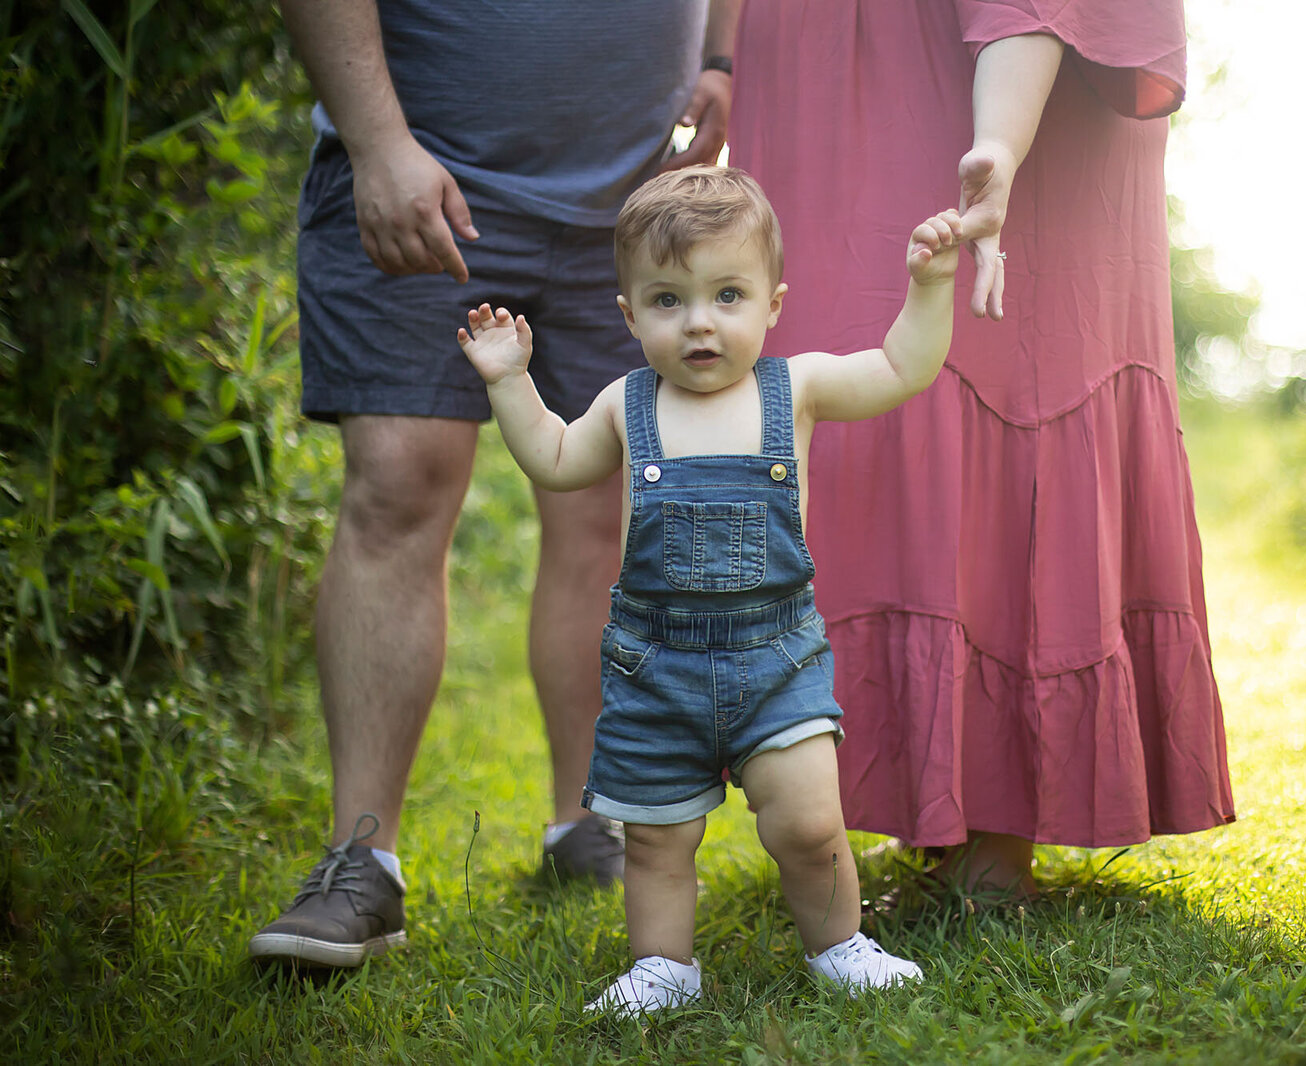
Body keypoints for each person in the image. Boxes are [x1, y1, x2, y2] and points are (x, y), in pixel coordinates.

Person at [249, 0, 740, 968]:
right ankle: (362, 862)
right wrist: (375, 139)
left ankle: (584, 826)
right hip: (424, 174)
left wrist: (719, 56)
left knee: (605, 508)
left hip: (634, 198)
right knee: (397, 482)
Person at [729, 0, 1235, 897]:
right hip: (830, 68)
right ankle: (935, 806)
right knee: (852, 379)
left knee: (985, 364)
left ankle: (995, 831)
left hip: (990, 65)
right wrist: (720, 59)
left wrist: (999, 142)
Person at [454, 166, 954, 1014]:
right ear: (629, 314)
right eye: (667, 300)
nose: (699, 323)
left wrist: (930, 285)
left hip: (777, 658)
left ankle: (839, 945)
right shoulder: (626, 404)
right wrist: (509, 382)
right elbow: (554, 459)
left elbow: (903, 367)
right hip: (656, 668)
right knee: (655, 839)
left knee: (807, 823)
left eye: (728, 295)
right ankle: (663, 967)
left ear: (772, 304)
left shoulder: (795, 389)